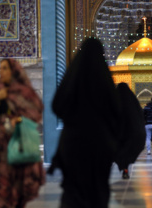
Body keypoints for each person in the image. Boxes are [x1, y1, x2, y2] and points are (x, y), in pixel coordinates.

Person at [48, 38, 122, 208]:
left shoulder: (73, 78)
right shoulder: (104, 80)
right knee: (98, 189)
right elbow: (117, 111)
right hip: (100, 145)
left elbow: (57, 105)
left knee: (74, 190)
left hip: (73, 143)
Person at [0, 58, 45, 208]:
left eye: (5, 68)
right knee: (3, 186)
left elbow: (36, 111)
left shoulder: (24, 91)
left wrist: (18, 118)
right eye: (0, 68)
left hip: (20, 142)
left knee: (20, 185)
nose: (1, 71)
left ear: (14, 70)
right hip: (0, 146)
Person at [115, 83, 146, 179]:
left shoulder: (115, 100)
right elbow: (140, 116)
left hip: (118, 132)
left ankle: (123, 167)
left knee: (120, 151)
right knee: (127, 151)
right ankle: (125, 168)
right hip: (131, 132)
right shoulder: (132, 102)